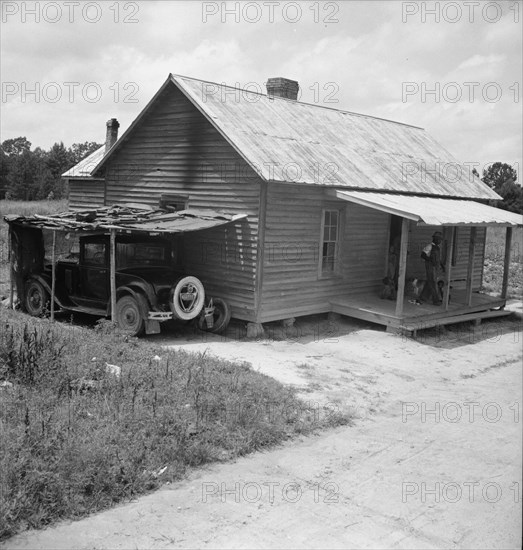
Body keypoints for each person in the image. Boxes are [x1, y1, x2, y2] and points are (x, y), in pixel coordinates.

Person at [420, 231, 446, 305]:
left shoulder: (437, 248)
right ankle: (436, 300)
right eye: (439, 239)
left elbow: (438, 258)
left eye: (441, 239)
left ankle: (423, 297)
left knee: (430, 282)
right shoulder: (429, 246)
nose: (440, 241)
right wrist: (429, 260)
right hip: (430, 267)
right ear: (435, 239)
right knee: (433, 283)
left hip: (435, 268)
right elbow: (422, 255)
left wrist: (442, 265)